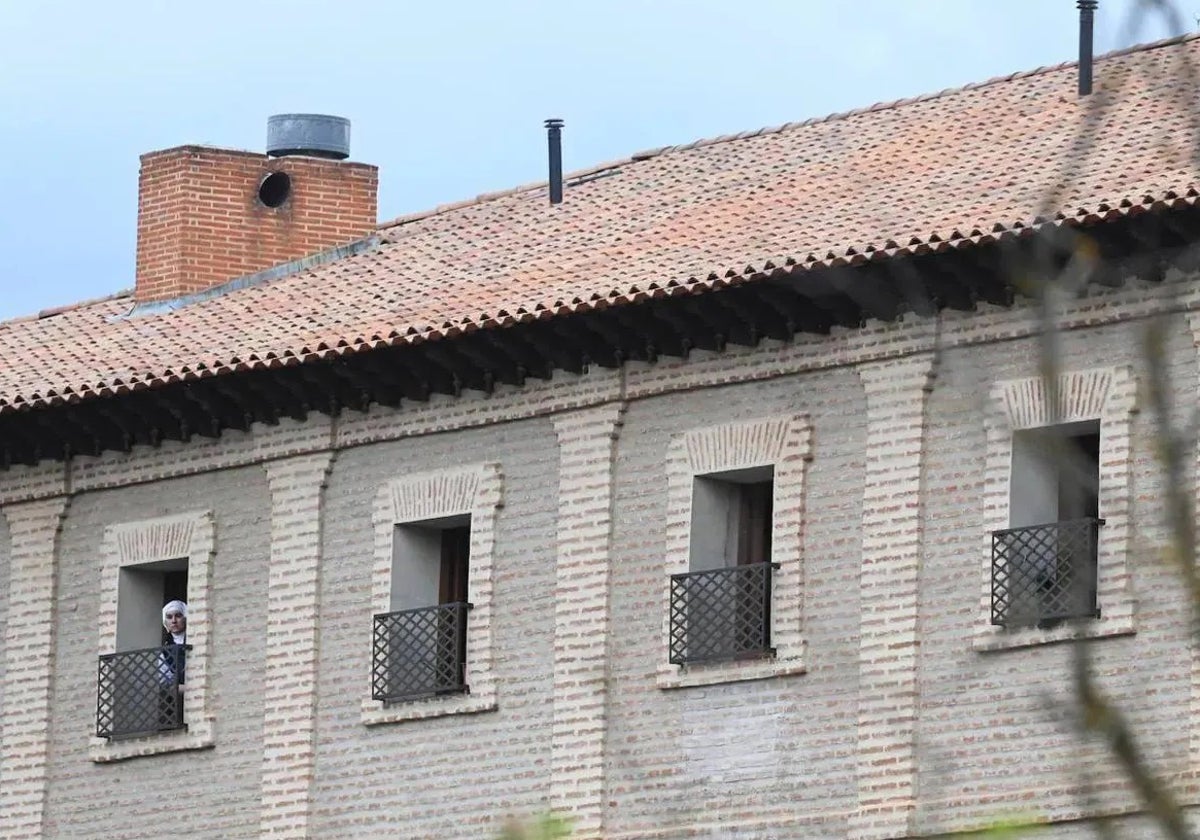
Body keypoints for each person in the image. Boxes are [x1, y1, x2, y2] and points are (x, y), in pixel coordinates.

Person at [157, 600, 188, 728]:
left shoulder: (193, 638)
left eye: (178, 616)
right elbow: (164, 679)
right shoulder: (164, 649)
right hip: (177, 690)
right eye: (169, 617)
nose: (174, 621)